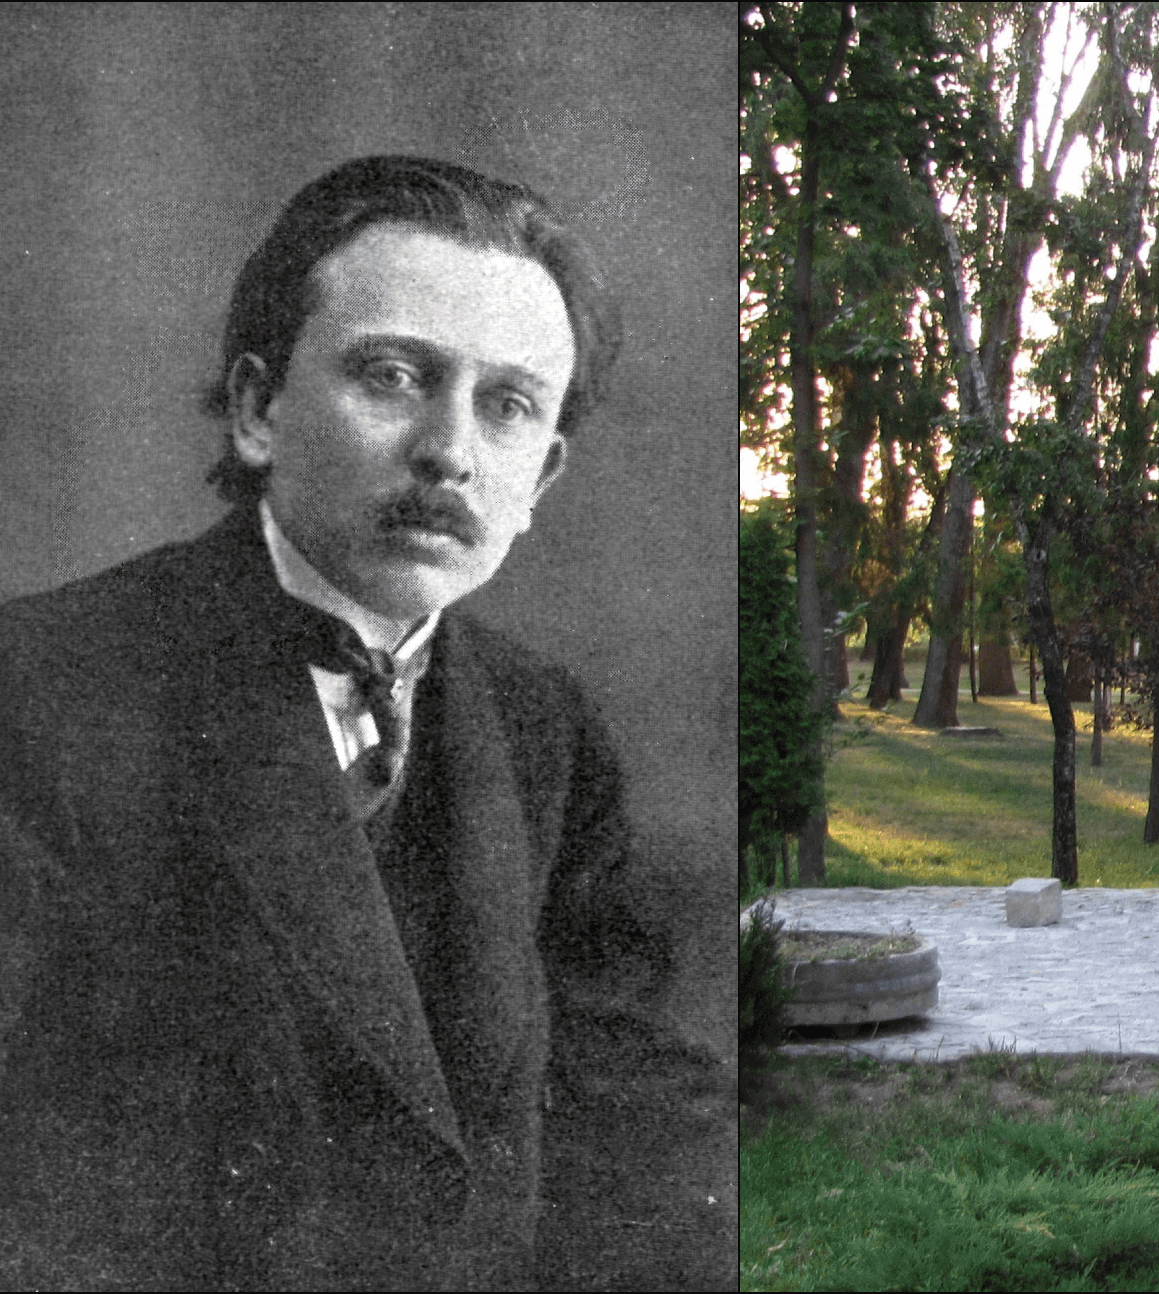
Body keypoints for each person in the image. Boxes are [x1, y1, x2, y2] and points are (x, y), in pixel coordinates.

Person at [0, 156, 722, 1290]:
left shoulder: (547, 731)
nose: (451, 449)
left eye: (509, 403)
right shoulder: (42, 688)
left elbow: (641, 1142)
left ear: (542, 480)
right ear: (256, 409)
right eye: (393, 375)